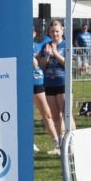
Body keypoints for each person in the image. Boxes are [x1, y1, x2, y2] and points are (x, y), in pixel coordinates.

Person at [38, 20, 72, 153]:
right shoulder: (45, 45)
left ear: (62, 31)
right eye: (52, 32)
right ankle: (61, 143)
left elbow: (68, 63)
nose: (55, 34)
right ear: (49, 33)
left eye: (57, 31)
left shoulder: (66, 44)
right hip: (49, 84)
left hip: (63, 83)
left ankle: (73, 143)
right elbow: (41, 66)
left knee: (66, 114)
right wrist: (46, 56)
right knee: (55, 116)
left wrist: (55, 53)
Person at [32, 27, 60, 154]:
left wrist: (46, 55)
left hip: (38, 82)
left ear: (34, 33)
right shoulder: (19, 46)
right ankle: (30, 143)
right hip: (24, 83)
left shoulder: (40, 46)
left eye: (30, 32)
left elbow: (41, 64)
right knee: (27, 116)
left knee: (47, 113)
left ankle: (57, 142)